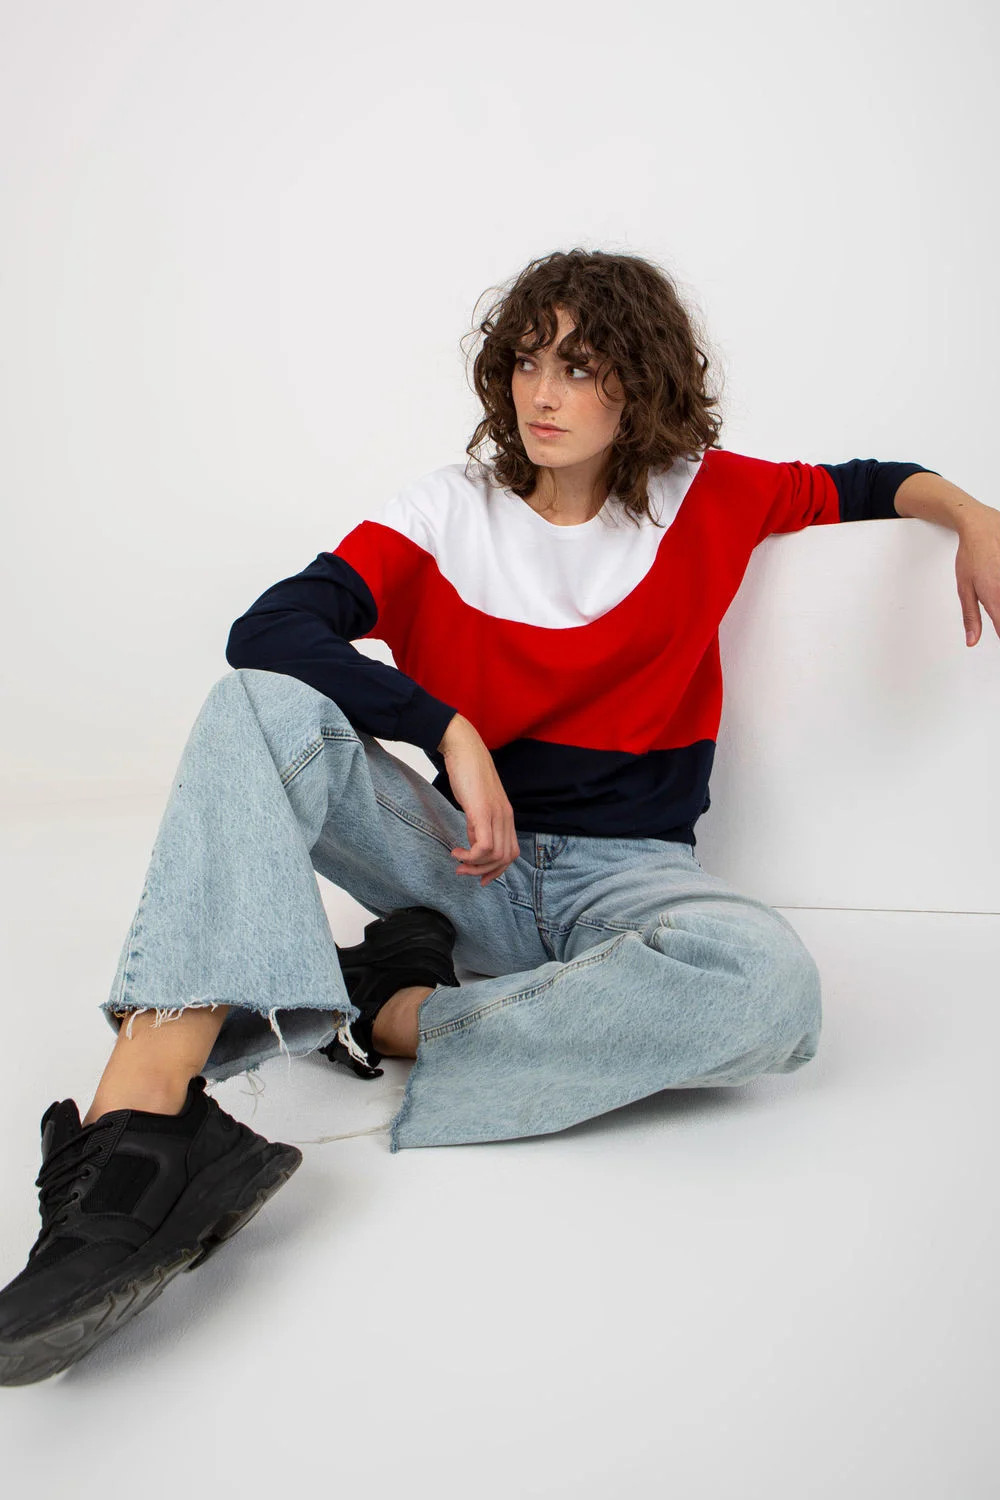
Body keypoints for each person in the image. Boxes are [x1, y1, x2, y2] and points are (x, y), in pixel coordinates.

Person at [0, 247, 943, 1386]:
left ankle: (392, 1010)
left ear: (642, 381)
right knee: (254, 706)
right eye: (527, 362)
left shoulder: (713, 493)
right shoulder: (447, 512)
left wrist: (972, 512)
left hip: (632, 878)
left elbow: (874, 482)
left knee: (767, 986)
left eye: (580, 367)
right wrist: (443, 726)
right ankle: (144, 1130)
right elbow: (271, 630)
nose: (542, 394)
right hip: (462, 860)